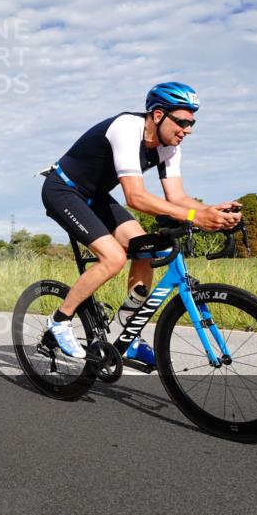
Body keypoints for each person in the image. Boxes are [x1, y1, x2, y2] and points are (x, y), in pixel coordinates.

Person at [41, 82, 242, 359]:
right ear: (158, 115)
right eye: (182, 122)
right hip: (63, 190)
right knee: (113, 258)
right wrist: (197, 216)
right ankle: (59, 322)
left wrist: (212, 211)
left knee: (148, 249)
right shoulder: (126, 128)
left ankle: (127, 333)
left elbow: (178, 197)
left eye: (192, 123)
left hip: (95, 195)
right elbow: (135, 196)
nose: (188, 130)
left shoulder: (169, 147)